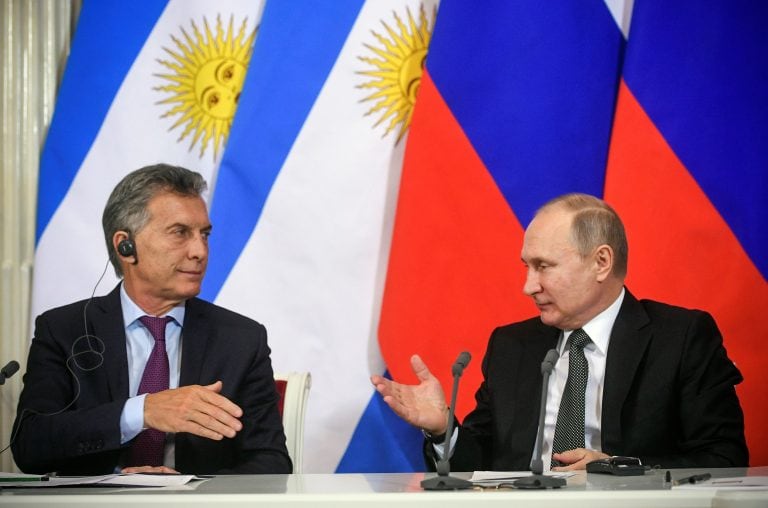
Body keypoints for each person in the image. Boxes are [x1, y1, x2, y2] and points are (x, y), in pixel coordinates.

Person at [372, 193, 748, 471]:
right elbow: (479, 463)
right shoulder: (512, 346)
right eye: (526, 267)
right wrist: (444, 431)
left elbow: (723, 458)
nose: (528, 286)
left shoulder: (680, 338)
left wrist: (618, 468)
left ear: (601, 262)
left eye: (543, 266)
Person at [12, 164, 292, 475]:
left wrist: (188, 486)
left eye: (204, 234)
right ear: (126, 246)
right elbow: (29, 445)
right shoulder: (64, 330)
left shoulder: (241, 339)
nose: (200, 250)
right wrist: (142, 411)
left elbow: (272, 463)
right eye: (179, 233)